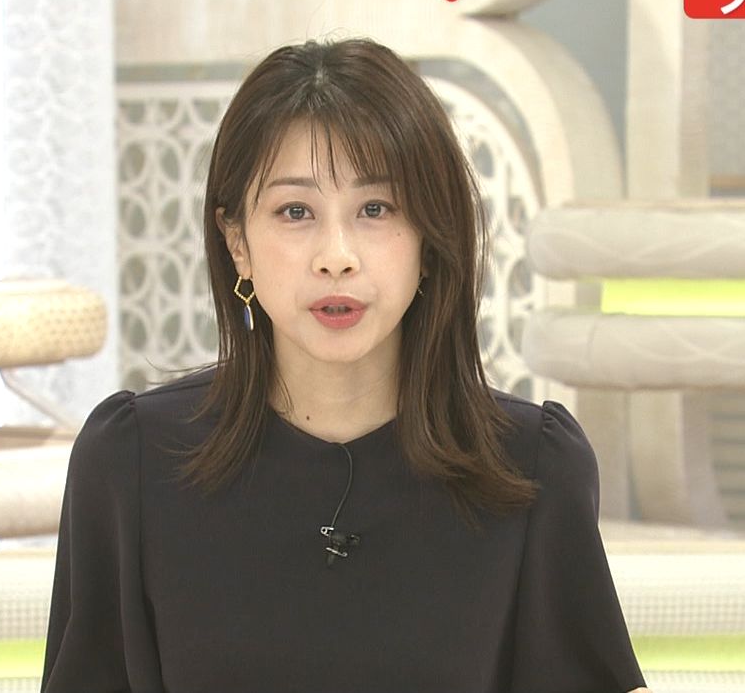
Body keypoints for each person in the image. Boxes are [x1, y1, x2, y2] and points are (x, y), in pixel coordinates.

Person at [43, 38, 648, 693]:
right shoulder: (131, 462)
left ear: (429, 238)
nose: (337, 256)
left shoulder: (532, 468)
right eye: (295, 212)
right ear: (237, 241)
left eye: (375, 210)